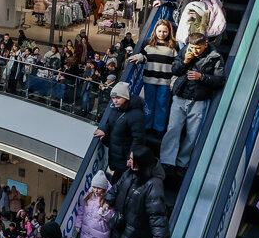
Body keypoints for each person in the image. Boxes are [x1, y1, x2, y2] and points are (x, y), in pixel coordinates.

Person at [160, 32, 226, 175]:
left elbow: (220, 80)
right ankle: (167, 161)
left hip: (199, 100)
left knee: (192, 134)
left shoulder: (215, 57)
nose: (194, 51)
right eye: (192, 47)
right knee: (173, 129)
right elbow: (174, 69)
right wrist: (185, 61)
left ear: (205, 45)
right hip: (181, 95)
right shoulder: (185, 51)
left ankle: (182, 163)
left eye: (198, 48)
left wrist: (202, 77)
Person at [106, 145, 168, 238]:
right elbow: (117, 187)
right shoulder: (131, 173)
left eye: (132, 159)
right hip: (123, 224)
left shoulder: (153, 185)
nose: (128, 161)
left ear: (140, 162)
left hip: (137, 229)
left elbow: (157, 212)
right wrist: (108, 200)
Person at [129, 19, 179, 133]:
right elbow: (144, 56)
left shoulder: (174, 46)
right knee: (148, 104)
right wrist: (138, 57)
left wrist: (173, 81)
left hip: (165, 82)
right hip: (149, 80)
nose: (162, 34)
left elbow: (176, 67)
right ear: (155, 30)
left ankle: (158, 128)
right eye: (160, 31)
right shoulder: (148, 43)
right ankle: (147, 125)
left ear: (169, 32)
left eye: (165, 31)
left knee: (162, 105)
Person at [93, 82, 145, 180]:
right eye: (113, 98)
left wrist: (131, 156)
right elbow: (111, 123)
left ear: (126, 97)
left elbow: (138, 139)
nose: (115, 101)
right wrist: (104, 130)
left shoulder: (136, 114)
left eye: (118, 98)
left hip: (124, 155)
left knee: (121, 179)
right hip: (117, 153)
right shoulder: (116, 108)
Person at [74, 171, 114, 238]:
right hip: (87, 231)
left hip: (100, 232)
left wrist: (105, 213)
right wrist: (78, 223)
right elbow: (81, 210)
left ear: (104, 188)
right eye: (94, 187)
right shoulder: (89, 195)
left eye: (99, 188)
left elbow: (112, 217)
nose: (96, 190)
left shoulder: (109, 199)